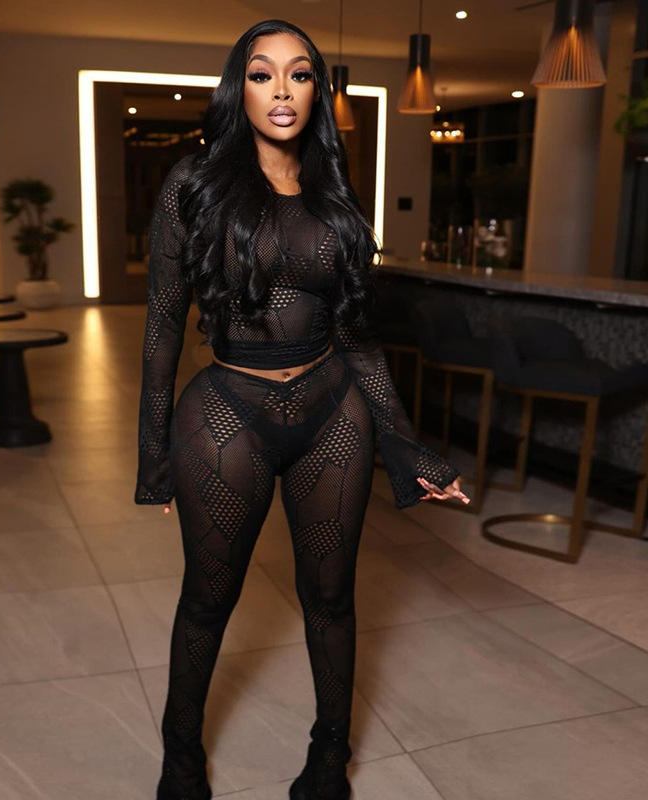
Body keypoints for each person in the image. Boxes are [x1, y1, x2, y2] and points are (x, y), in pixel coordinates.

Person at [135, 19, 469, 800]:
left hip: (332, 414)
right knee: (208, 601)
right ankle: (180, 758)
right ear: (239, 88)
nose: (281, 90)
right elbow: (161, 326)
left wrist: (408, 447)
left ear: (317, 90)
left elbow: (358, 337)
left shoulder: (332, 189)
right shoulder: (194, 183)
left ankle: (329, 760)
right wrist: (153, 457)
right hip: (228, 416)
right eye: (262, 74)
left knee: (331, 598)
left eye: (299, 74)